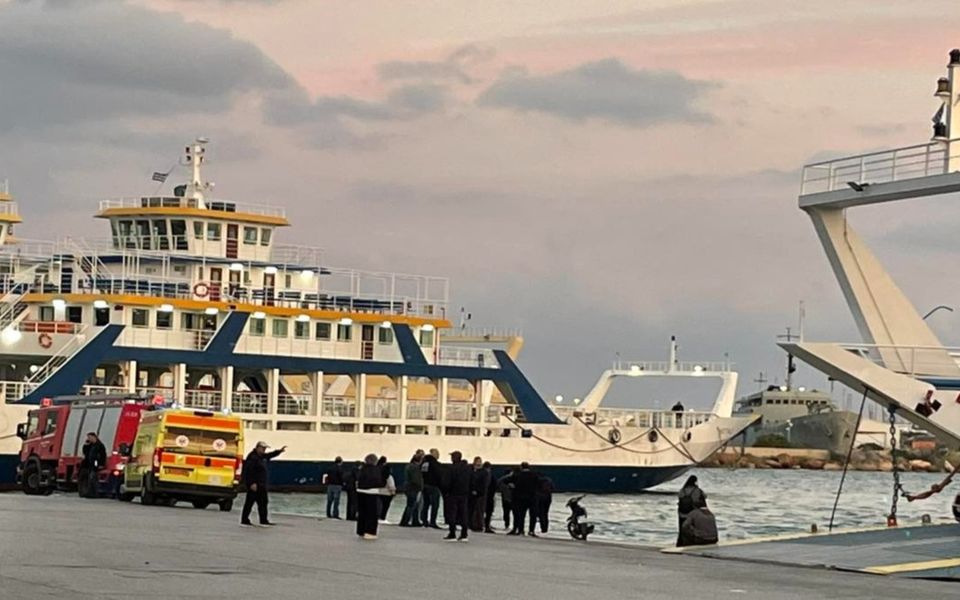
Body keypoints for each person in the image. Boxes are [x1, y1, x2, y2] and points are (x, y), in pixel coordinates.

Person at [240, 441, 287, 527]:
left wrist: (279, 451)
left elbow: (269, 455)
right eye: (263, 448)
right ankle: (244, 519)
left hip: (261, 484)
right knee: (249, 502)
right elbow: (248, 471)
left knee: (263, 502)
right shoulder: (252, 457)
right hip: (255, 485)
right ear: (258, 448)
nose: (264, 450)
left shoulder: (261, 457)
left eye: (265, 449)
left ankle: (263, 520)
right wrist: (251, 483)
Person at [443, 451, 472, 541]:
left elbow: (447, 482)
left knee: (452, 514)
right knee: (464, 514)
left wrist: (446, 491)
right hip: (464, 494)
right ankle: (464, 534)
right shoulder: (467, 469)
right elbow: (471, 480)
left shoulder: (451, 468)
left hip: (453, 494)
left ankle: (452, 533)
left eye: (452, 457)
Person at [356, 454, 385, 540]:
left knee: (362, 512)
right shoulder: (376, 470)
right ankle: (370, 532)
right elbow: (379, 481)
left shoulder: (362, 469)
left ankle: (361, 530)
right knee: (371, 514)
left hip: (360, 491)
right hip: (371, 492)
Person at [510, 462, 540, 536]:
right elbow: (538, 485)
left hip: (521, 498)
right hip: (532, 498)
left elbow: (510, 483)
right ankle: (531, 531)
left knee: (521, 515)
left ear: (521, 467)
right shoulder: (534, 475)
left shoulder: (518, 475)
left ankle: (521, 530)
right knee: (533, 515)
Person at [677, 475, 706, 545]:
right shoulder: (697, 490)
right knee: (692, 529)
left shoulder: (682, 490)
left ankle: (680, 542)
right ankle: (691, 543)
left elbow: (679, 499)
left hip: (681, 513)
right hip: (693, 513)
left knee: (682, 529)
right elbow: (704, 497)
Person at [79, 432, 107, 498]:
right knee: (90, 478)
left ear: (94, 437)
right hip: (90, 463)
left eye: (89, 437)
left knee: (93, 478)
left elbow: (103, 455)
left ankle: (94, 493)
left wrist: (101, 464)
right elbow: (85, 452)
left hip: (96, 462)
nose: (89, 439)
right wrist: (86, 445)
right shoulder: (91, 445)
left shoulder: (99, 445)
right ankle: (90, 493)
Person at [400, 450, 424, 527]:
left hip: (408, 487)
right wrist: (421, 487)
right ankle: (406, 521)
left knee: (413, 505)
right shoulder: (415, 468)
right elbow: (416, 479)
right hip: (414, 488)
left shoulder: (409, 466)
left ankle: (414, 520)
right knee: (412, 504)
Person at [420, 448, 443, 529]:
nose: (438, 455)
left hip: (425, 485)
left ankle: (424, 521)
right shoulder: (435, 464)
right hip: (433, 486)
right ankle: (432, 522)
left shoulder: (424, 463)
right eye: (437, 454)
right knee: (435, 505)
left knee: (425, 504)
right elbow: (439, 475)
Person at [468, 456, 491, 531]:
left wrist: (478, 491)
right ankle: (471, 524)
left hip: (480, 494)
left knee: (479, 510)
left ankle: (478, 525)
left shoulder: (484, 472)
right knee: (472, 509)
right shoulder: (471, 470)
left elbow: (484, 484)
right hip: (471, 494)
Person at [377, 456, 396, 523]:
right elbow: (391, 485)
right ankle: (383, 518)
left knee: (379, 506)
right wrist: (393, 492)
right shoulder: (389, 476)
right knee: (385, 507)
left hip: (379, 492)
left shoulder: (379, 475)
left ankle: (378, 517)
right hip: (387, 493)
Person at [483, 461, 497, 533]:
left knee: (482, 511)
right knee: (489, 512)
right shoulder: (490, 475)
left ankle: (482, 524)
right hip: (489, 496)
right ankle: (487, 525)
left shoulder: (482, 474)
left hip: (483, 496)